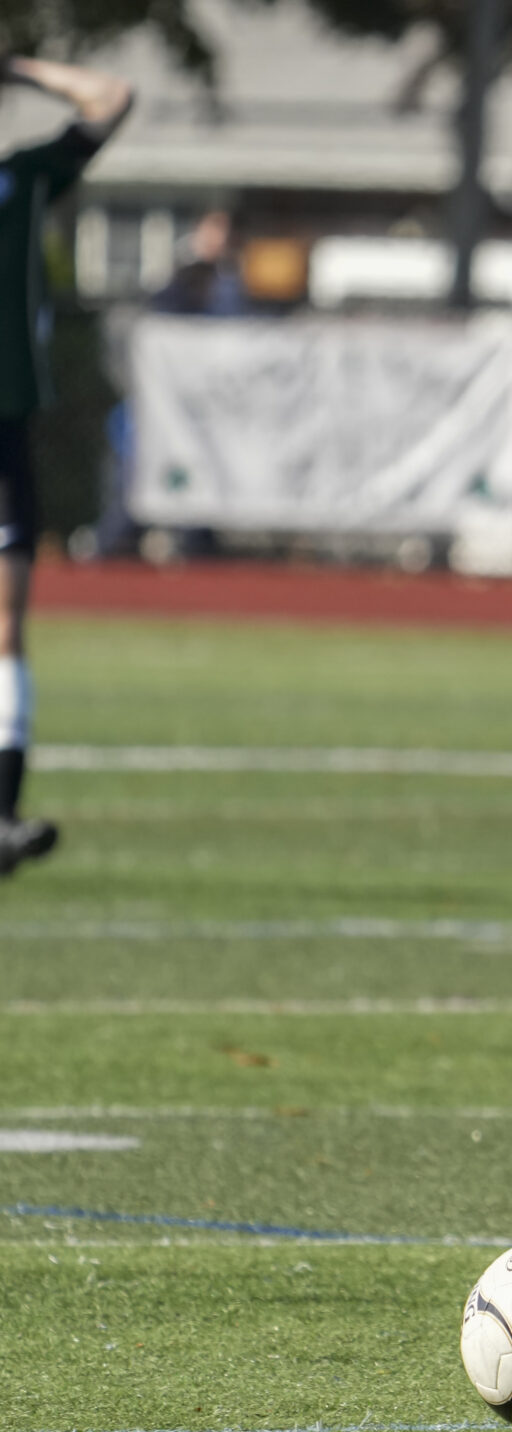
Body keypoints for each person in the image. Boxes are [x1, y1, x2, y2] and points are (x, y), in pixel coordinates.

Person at [0, 53, 132, 877]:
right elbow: (112, 97)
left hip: (5, 424)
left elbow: (114, 97)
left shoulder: (22, 181)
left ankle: (3, 819)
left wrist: (13, 66)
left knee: (8, 626)